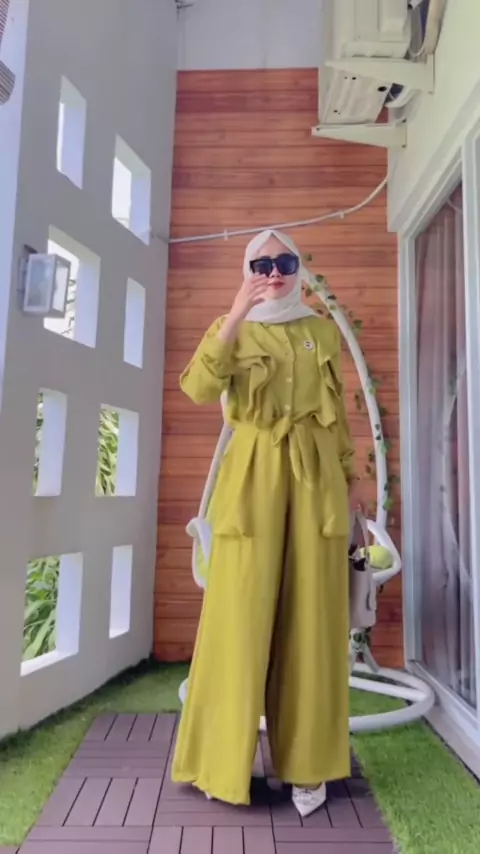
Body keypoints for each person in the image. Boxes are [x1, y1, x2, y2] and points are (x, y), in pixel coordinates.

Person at [171, 229, 364, 817]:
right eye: (261, 264)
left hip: (316, 481)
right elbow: (198, 388)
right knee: (237, 618)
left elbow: (337, 420)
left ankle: (310, 768)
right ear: (247, 271)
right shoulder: (229, 327)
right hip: (251, 479)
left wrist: (351, 492)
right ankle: (218, 763)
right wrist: (235, 315)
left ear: (298, 268)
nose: (274, 272)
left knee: (313, 621)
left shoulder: (321, 330)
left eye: (284, 261)